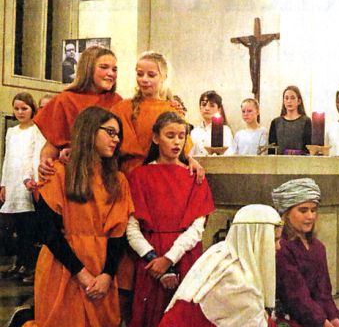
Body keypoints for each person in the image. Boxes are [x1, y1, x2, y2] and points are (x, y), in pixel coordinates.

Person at [142, 205, 339, 327]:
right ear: (256, 239)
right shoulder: (234, 281)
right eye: (273, 240)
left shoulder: (221, 253)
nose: (278, 247)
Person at [13, 107, 134, 327]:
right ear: (89, 132)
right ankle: (23, 321)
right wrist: (82, 273)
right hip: (64, 265)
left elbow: (117, 234)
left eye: (118, 135)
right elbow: (48, 232)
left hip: (100, 263)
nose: (116, 139)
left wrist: (105, 275)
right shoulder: (58, 172)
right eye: (110, 132)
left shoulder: (118, 181)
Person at [124, 112, 215, 327]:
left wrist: (170, 260)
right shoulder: (139, 176)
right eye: (170, 136)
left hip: (185, 255)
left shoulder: (194, 177)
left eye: (181, 136)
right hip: (150, 259)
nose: (176, 142)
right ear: (156, 138)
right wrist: (155, 259)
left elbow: (197, 228)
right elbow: (132, 227)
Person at [273, 178, 339, 327]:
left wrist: (335, 321)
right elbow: (297, 300)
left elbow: (323, 292)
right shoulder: (282, 249)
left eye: (313, 210)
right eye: (303, 210)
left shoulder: (317, 247)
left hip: (312, 315)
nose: (311, 216)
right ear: (286, 214)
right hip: (285, 319)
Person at [35, 46, 122, 181]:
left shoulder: (118, 101)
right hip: (72, 174)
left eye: (114, 69)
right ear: (88, 68)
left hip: (106, 175)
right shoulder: (65, 99)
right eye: (104, 67)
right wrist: (45, 163)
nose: (111, 73)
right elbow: (52, 144)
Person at [110, 52, 200, 175]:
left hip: (162, 174)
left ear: (163, 77)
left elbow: (182, 148)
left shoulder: (171, 109)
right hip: (129, 174)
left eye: (151, 75)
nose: (144, 79)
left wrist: (190, 160)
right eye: (140, 74)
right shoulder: (122, 108)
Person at [0, 93, 46, 283]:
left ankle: (29, 265)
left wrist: (33, 180)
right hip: (12, 180)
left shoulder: (36, 130)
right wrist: (3, 183)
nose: (20, 112)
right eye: (17, 108)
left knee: (28, 226)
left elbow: (35, 156)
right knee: (15, 226)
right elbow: (7, 158)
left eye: (24, 108)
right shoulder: (12, 132)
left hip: (27, 182)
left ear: (32, 109)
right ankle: (18, 263)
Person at [268, 86, 311, 155]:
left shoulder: (306, 121)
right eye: (286, 98)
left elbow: (308, 147)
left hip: (300, 162)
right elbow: (271, 149)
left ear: (299, 101)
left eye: (292, 98)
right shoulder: (276, 123)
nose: (289, 101)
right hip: (279, 163)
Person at [189, 91, 234, 156]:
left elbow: (229, 154)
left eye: (212, 105)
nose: (207, 108)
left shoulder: (225, 130)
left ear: (219, 109)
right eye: (204, 105)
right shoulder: (194, 132)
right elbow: (190, 156)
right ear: (200, 108)